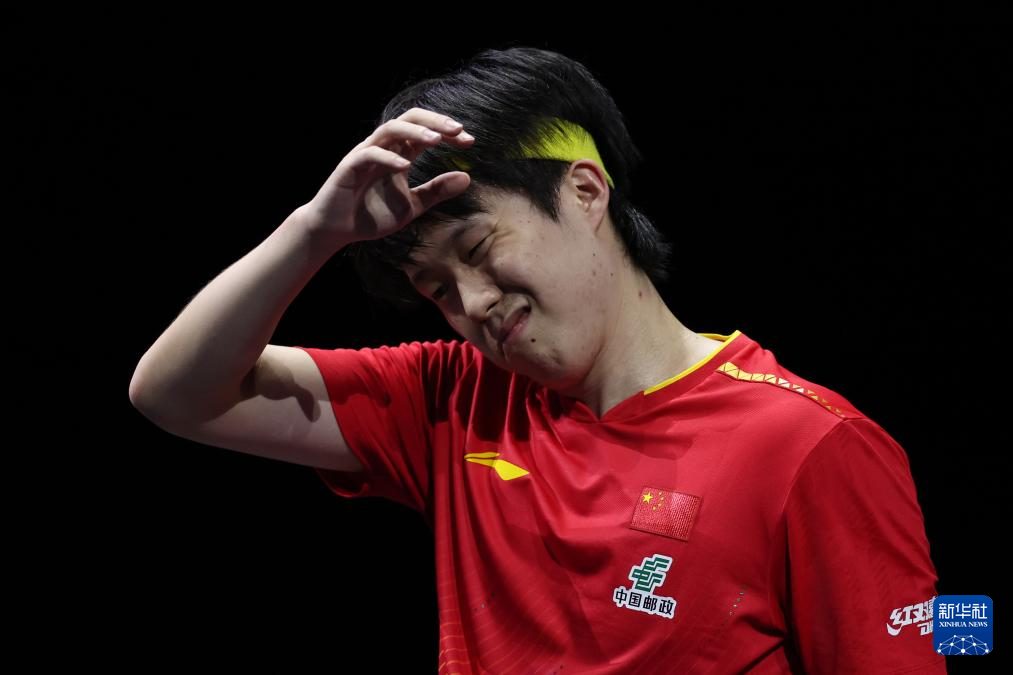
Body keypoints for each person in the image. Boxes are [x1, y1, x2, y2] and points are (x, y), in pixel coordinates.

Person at [130, 46, 946, 673]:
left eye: (477, 249)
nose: (472, 303)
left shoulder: (808, 444)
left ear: (585, 191)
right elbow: (175, 394)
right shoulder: (449, 399)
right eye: (437, 290)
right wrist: (313, 231)